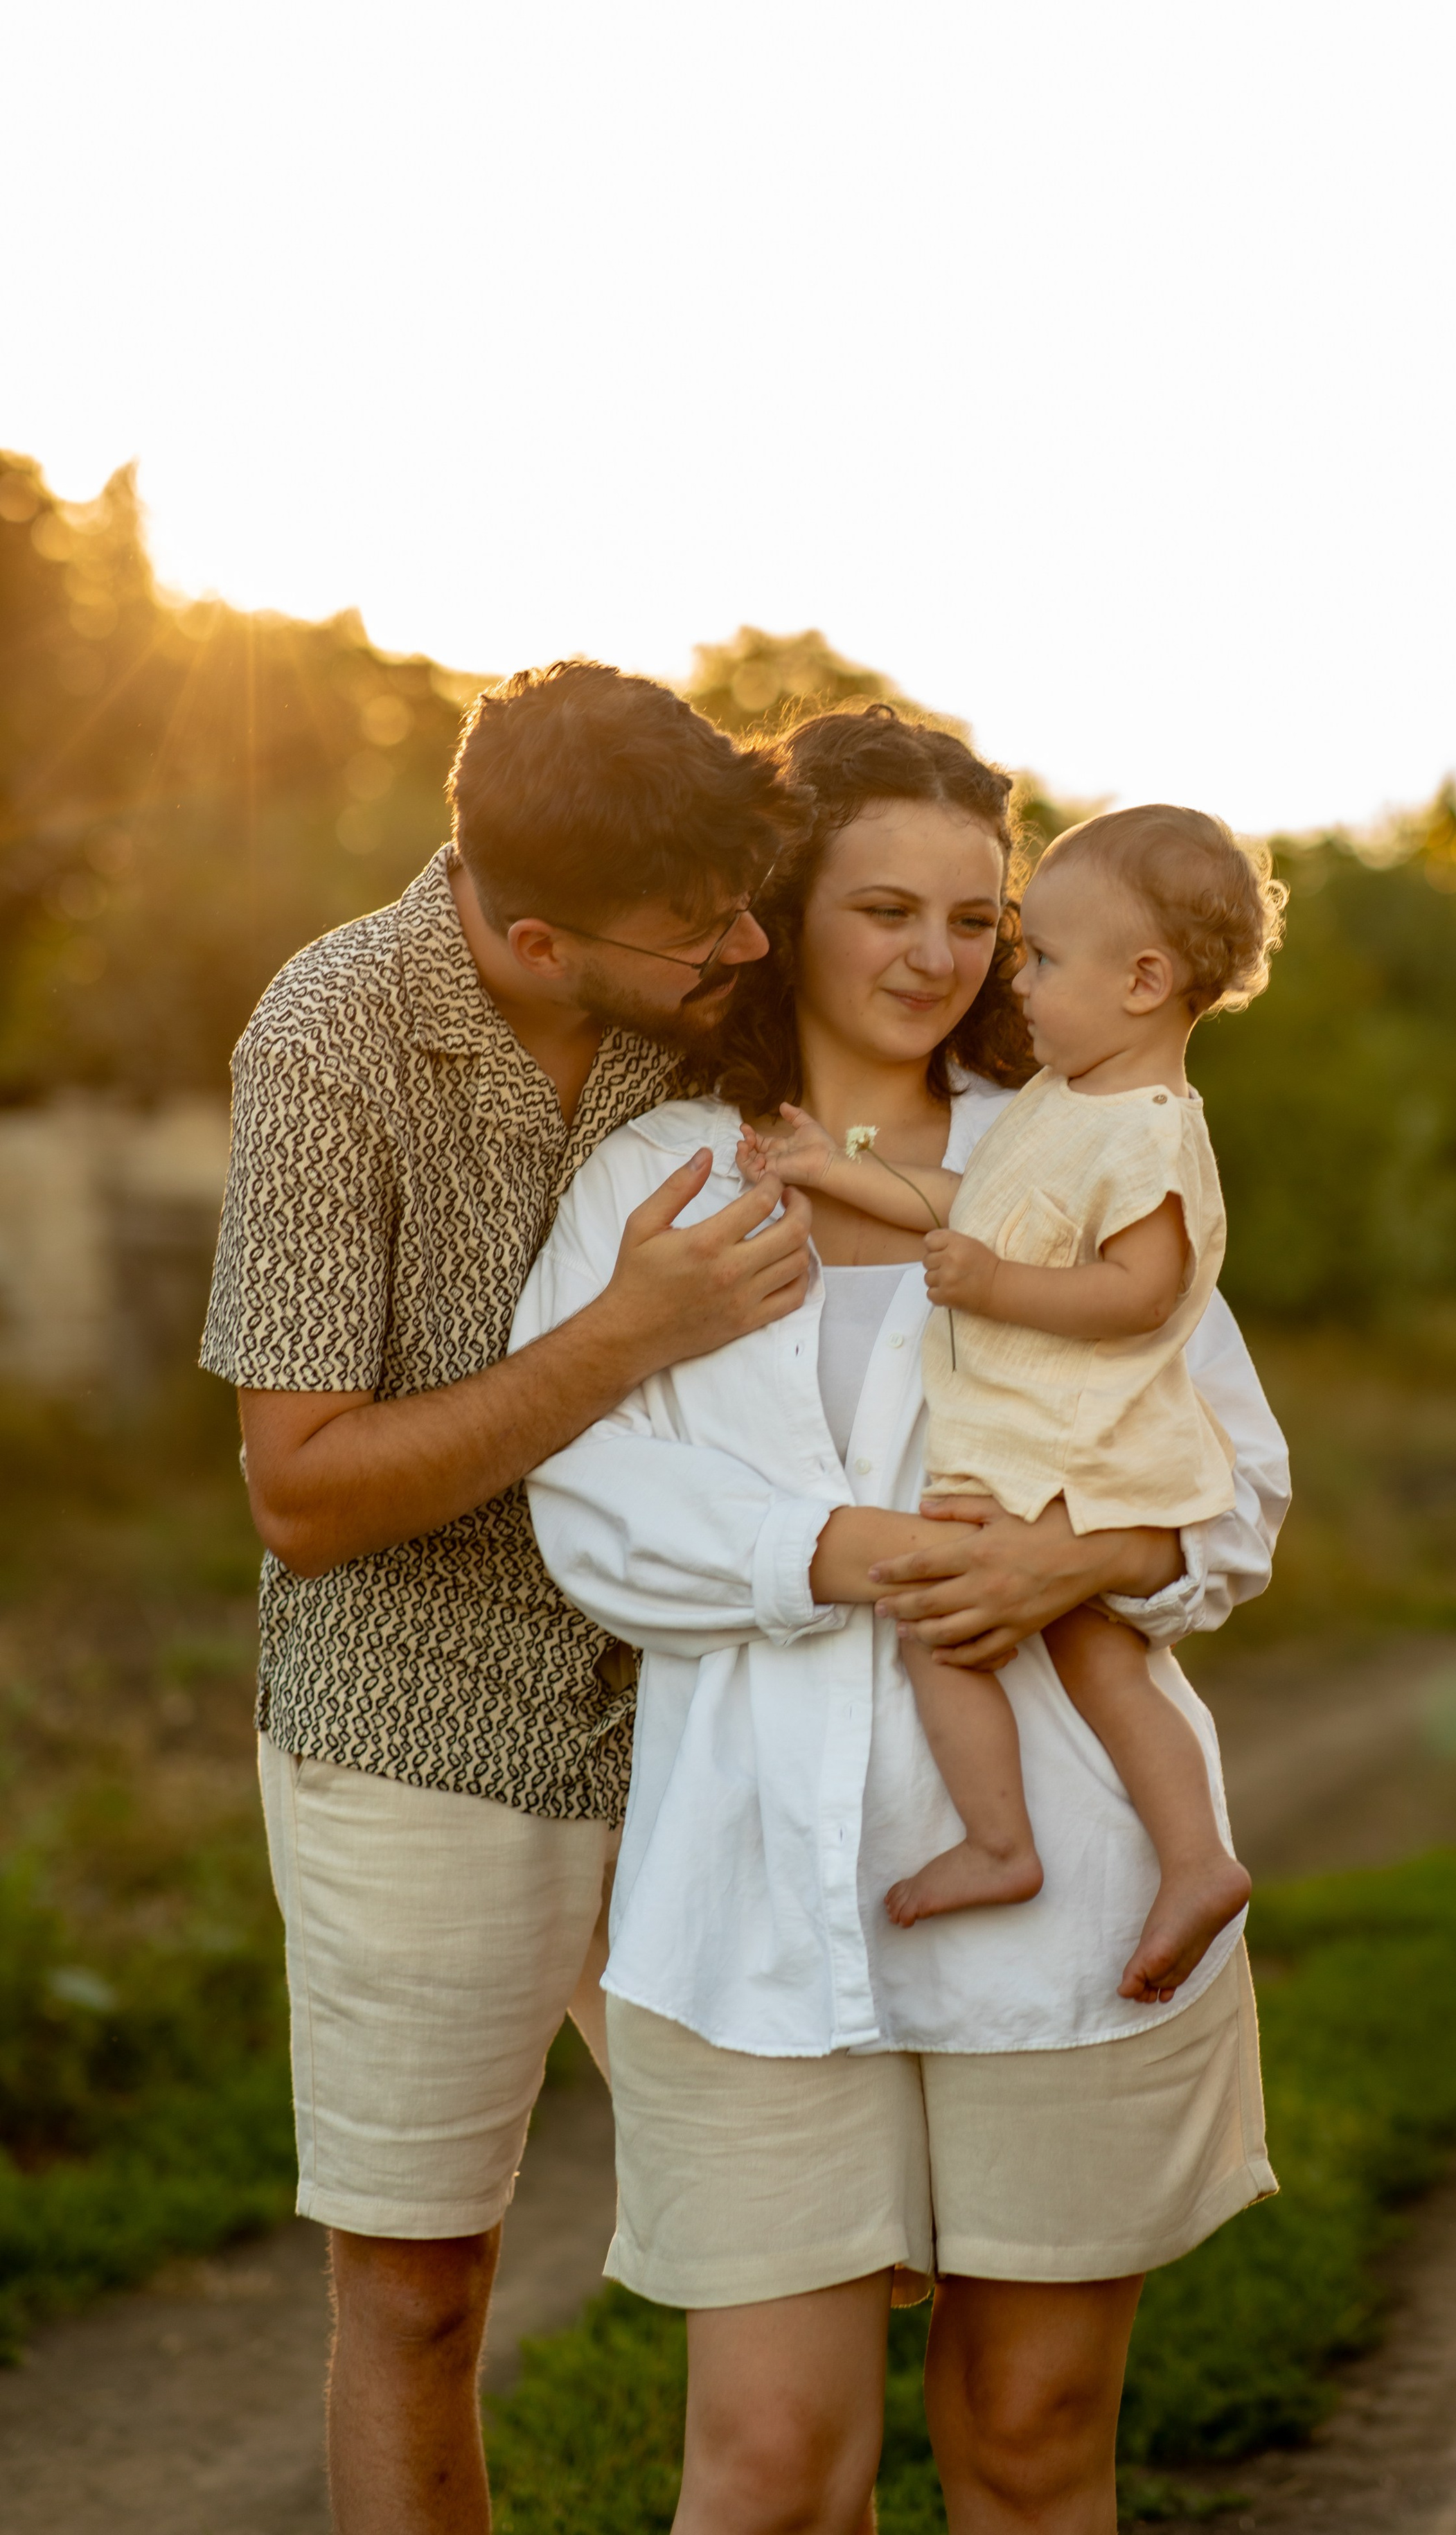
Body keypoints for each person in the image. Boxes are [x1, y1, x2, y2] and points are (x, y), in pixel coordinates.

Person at [514, 705, 1288, 2535]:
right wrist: (840, 1551)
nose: (938, 960)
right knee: (774, 2474)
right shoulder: (664, 1178)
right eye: (886, 909)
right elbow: (589, 1503)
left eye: (976, 917)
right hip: (759, 1913)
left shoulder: (1089, 1145)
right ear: (787, 909)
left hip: (1078, 1917)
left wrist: (1072, 1563)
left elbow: (1236, 1490)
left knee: (1030, 2451)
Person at [200, 659, 817, 2535]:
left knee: (813, 2256)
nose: (742, 943)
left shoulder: (722, 976)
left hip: (720, 1709)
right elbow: (302, 1494)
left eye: (743, 900)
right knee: (415, 2287)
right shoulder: (329, 1039)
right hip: (413, 1723)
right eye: (695, 928)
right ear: (538, 938)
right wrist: (628, 1337)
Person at [736, 802, 1285, 2002]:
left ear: (1144, 981)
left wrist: (994, 1284)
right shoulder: (1058, 1107)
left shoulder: (1150, 1133)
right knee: (1054, 1646)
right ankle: (1092, 1850)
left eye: (1038, 955)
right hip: (1041, 1443)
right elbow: (968, 1199)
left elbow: (1143, 1291)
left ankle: (1107, 1852)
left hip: (1083, 1446)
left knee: (1001, 1630)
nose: (1014, 983)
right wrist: (841, 1171)